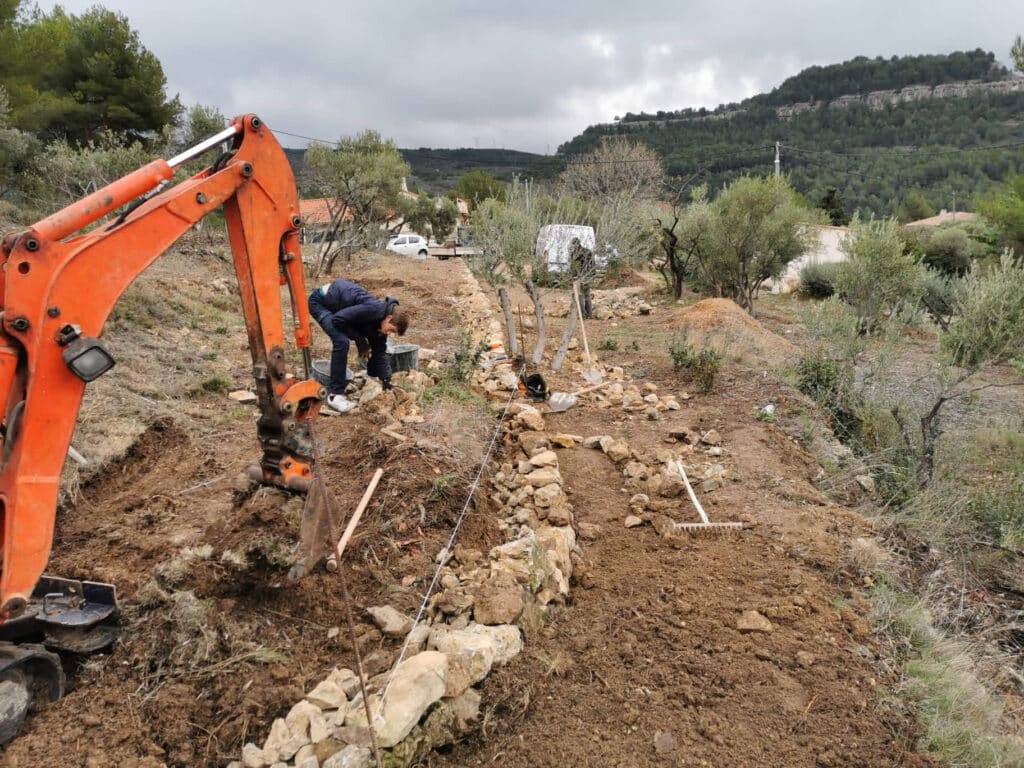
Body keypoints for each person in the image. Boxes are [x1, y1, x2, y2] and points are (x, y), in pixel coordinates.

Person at [308, 278, 410, 414]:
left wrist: (386, 379)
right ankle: (334, 396)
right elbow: (338, 319)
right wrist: (359, 339)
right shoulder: (373, 310)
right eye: (391, 330)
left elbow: (379, 352)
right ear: (389, 318)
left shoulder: (381, 322)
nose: (389, 333)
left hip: (340, 305)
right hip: (320, 302)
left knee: (376, 342)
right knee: (341, 341)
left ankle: (370, 377)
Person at [569, 237, 596, 319]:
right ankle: (589, 314)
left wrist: (573, 277)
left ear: (575, 244)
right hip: (588, 276)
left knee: (579, 295)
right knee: (587, 295)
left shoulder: (575, 254)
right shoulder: (588, 251)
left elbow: (573, 267)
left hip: (580, 277)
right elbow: (593, 265)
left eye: (573, 245)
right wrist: (592, 275)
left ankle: (583, 315)